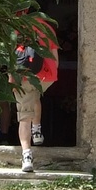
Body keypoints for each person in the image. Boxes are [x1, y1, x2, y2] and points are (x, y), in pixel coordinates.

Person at [14, 15, 58, 173]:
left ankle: (27, 156)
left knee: (24, 115)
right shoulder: (47, 28)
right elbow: (54, 56)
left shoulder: (15, 28)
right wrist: (52, 74)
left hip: (23, 76)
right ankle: (37, 130)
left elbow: (10, 57)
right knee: (35, 97)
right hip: (44, 76)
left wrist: (11, 79)